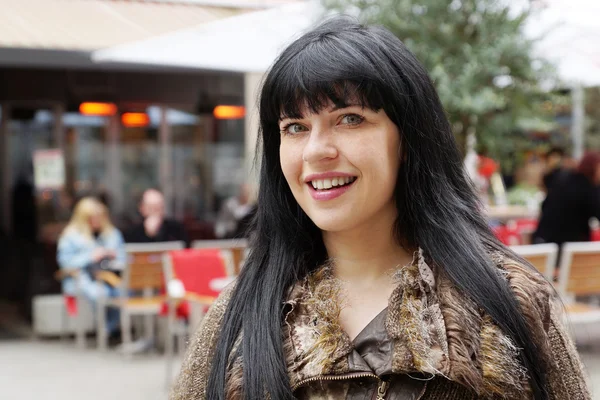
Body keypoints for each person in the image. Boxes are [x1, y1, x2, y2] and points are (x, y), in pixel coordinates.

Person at [171, 18, 589, 400]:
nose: (316, 151)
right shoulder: (241, 311)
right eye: (295, 127)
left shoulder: (508, 300)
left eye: (350, 119)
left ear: (408, 139)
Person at [57, 197, 126, 335]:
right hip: (82, 278)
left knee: (124, 293)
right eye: (92, 218)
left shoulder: (112, 234)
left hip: (110, 276)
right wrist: (90, 257)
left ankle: (109, 329)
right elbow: (64, 263)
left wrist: (113, 256)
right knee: (100, 293)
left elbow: (124, 257)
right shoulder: (71, 235)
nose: (96, 221)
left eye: (99, 217)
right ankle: (106, 330)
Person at [534, 151, 600, 247]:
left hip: (544, 240)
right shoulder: (587, 187)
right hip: (568, 246)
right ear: (593, 167)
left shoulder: (565, 178)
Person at [125, 189, 189, 246]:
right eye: (151, 207)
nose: (155, 211)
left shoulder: (176, 228)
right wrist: (149, 234)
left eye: (159, 207)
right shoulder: (132, 231)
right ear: (142, 208)